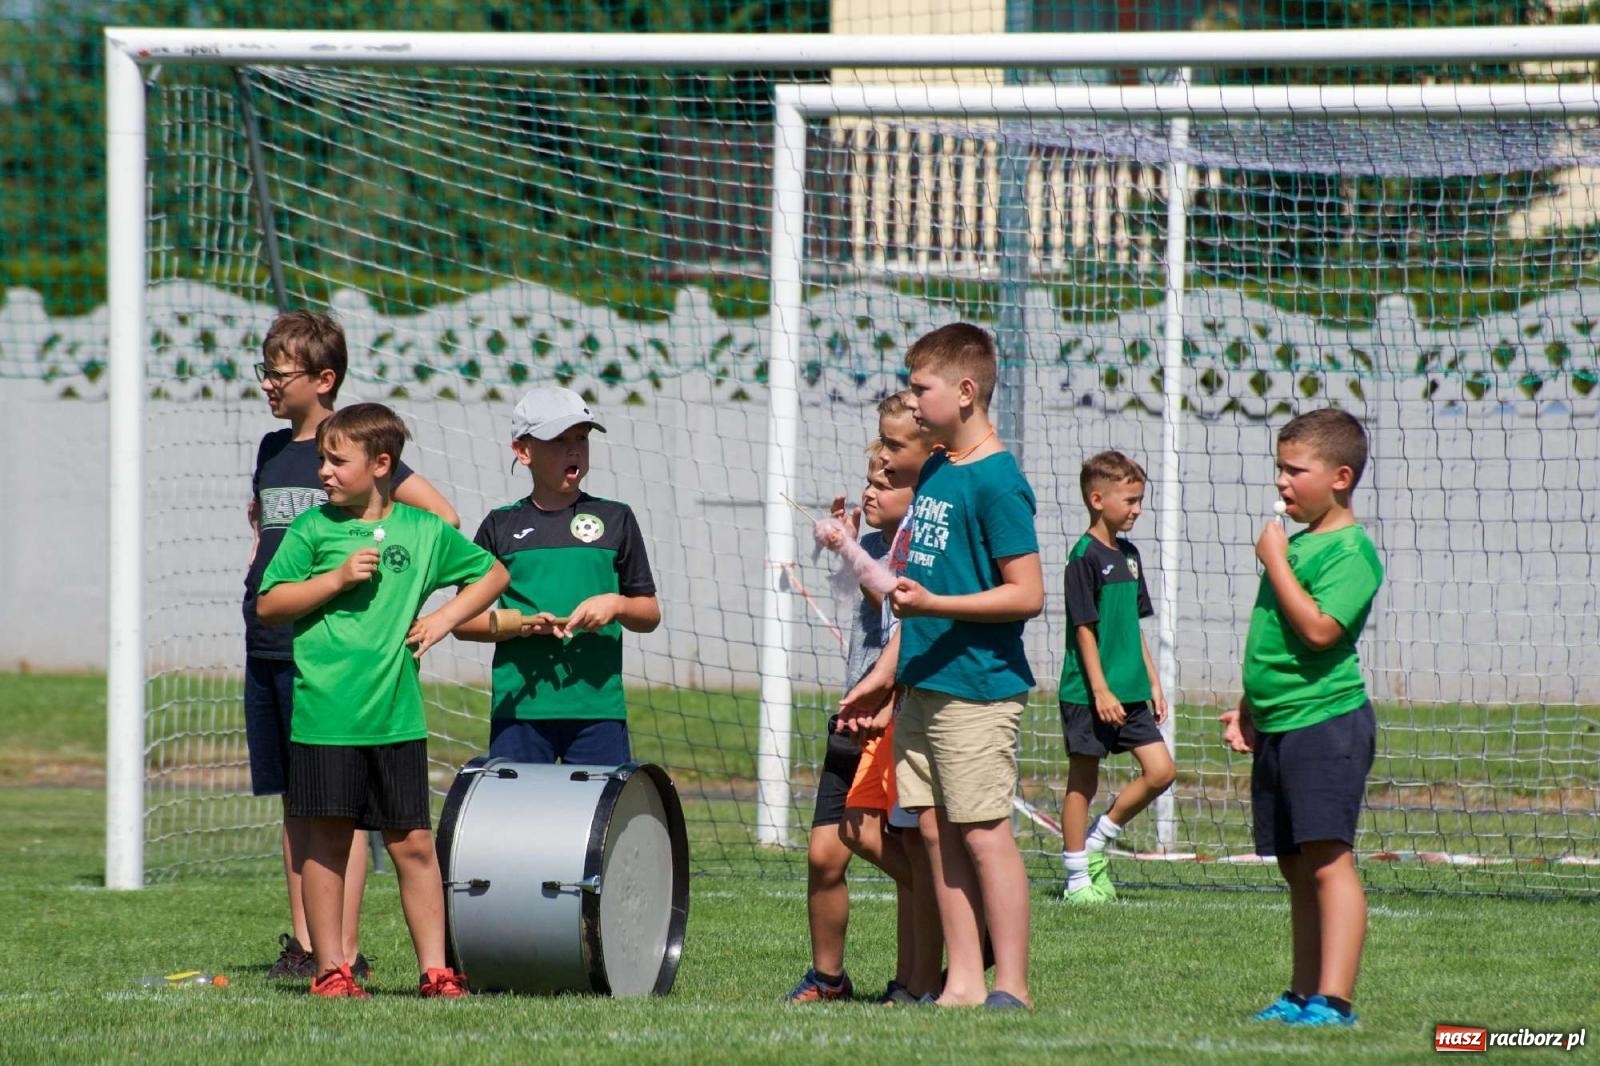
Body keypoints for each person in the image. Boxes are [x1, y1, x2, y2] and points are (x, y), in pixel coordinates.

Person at [257, 402, 508, 998]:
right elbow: (269, 604)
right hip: (326, 717)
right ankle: (330, 969)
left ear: (381, 464)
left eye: (336, 461)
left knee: (414, 844)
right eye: (321, 459)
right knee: (329, 842)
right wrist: (335, 579)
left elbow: (493, 573)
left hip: (397, 717)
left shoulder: (422, 533)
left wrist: (444, 618)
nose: (323, 471)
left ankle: (435, 971)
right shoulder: (312, 530)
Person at [242, 310, 459, 980]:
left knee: (346, 811)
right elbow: (268, 541)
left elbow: (439, 520)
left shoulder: (354, 452)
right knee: (297, 801)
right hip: (272, 643)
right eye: (266, 373)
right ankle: (310, 947)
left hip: (340, 655)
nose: (268, 386)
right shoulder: (272, 450)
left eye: (278, 374)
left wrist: (403, 596)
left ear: (323, 378)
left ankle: (346, 950)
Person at [848, 323, 1043, 1010]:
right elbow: (915, 599)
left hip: (977, 690)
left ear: (964, 392)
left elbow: (1028, 593)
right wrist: (883, 675)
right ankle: (960, 982)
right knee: (932, 831)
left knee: (984, 832)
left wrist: (938, 601)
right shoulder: (933, 470)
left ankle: (1009, 985)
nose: (911, 398)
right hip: (923, 685)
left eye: (920, 387)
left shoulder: (998, 482)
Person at [1219, 408, 1384, 1028]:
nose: (1282, 482)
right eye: (1279, 468)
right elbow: (1275, 641)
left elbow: (1317, 631)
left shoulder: (1351, 550)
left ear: (1341, 477)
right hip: (1282, 723)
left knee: (1328, 858)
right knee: (1294, 863)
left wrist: (1277, 563)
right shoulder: (1300, 542)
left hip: (1327, 722)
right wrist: (1251, 707)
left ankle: (1334, 1001)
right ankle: (1300, 992)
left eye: (1295, 470)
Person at [454, 386, 660, 766]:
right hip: (519, 711)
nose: (574, 449)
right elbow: (462, 622)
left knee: (599, 823)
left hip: (598, 710)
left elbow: (649, 614)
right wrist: (519, 624)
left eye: (581, 438)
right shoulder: (500, 526)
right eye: (558, 439)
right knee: (520, 821)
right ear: (522, 451)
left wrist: (614, 604)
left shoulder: (617, 519)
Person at [835, 392, 942, 1004]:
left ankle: (950, 938)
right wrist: (847, 546)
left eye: (889, 474)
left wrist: (880, 687)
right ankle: (912, 979)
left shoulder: (922, 535)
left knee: (895, 840)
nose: (874, 488)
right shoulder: (885, 542)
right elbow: (872, 594)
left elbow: (902, 611)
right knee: (889, 839)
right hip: (881, 705)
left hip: (901, 706)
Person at [1056, 451, 1175, 904]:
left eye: (1140, 499)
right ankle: (1076, 879)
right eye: (1130, 500)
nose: (1138, 509)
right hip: (1088, 693)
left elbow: (1132, 624)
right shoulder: (1082, 557)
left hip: (1131, 691)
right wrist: (1100, 688)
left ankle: (1096, 842)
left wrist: (1153, 682)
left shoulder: (1129, 555)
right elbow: (1084, 628)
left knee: (1161, 771)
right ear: (1097, 498)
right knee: (1082, 782)